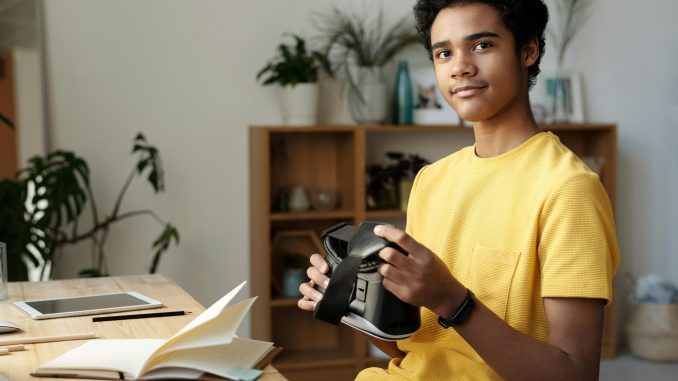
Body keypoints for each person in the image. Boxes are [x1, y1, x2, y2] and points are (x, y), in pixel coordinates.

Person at [298, 0, 620, 379]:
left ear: (527, 50)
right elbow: (417, 346)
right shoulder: (431, 180)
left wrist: (453, 300)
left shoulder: (569, 189)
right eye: (444, 53)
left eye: (482, 45)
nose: (460, 67)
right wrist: (346, 301)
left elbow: (576, 374)